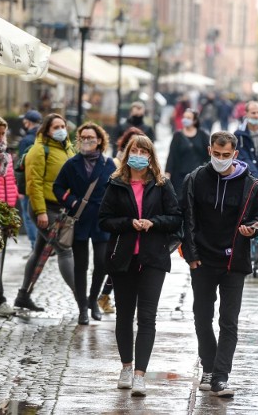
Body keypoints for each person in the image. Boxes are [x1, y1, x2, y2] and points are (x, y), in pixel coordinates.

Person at [180, 131, 258, 398]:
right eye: (216, 154)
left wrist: (253, 228)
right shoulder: (194, 180)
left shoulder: (250, 184)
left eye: (226, 155)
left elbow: (257, 217)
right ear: (209, 151)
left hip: (233, 261)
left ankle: (220, 376)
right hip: (202, 260)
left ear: (235, 155)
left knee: (229, 321)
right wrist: (191, 255)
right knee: (202, 318)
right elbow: (187, 220)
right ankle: (208, 364)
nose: (221, 159)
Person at [98, 135, 182, 396]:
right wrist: (128, 222)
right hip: (123, 258)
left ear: (150, 156)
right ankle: (126, 366)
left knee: (147, 317)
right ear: (128, 154)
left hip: (153, 258)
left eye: (144, 151)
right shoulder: (116, 183)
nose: (139, 154)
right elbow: (104, 220)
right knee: (124, 315)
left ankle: (140, 375)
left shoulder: (161, 184)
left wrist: (152, 222)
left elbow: (176, 217)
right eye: (134, 150)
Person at [53, 123, 116, 325]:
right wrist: (71, 201)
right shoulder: (72, 164)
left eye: (91, 137)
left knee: (102, 262)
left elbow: (117, 190)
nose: (87, 140)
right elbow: (58, 186)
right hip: (79, 219)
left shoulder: (108, 165)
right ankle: (82, 309)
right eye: (83, 137)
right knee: (81, 265)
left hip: (101, 220)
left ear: (99, 140)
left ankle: (92, 300)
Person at [15, 113, 76, 312]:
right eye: (55, 127)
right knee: (64, 250)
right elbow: (34, 184)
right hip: (44, 209)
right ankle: (82, 299)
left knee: (39, 250)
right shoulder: (39, 150)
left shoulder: (67, 148)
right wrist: (40, 212)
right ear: (46, 130)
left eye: (62, 126)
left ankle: (23, 295)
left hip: (60, 208)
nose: (60, 130)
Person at [0, 116, 19, 316]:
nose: (1, 138)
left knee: (0, 260)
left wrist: (10, 213)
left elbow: (10, 185)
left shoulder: (7, 157)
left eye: (3, 133)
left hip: (4, 215)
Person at [165, 109, 211, 198]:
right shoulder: (177, 135)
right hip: (179, 176)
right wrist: (168, 173)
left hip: (198, 175)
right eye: (184, 117)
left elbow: (209, 155)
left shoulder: (202, 135)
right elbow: (172, 155)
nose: (185, 119)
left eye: (189, 118)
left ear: (194, 120)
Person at [16, 110, 42, 253]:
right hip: (41, 183)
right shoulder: (44, 137)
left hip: (28, 184)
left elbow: (21, 166)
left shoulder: (26, 140)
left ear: (28, 122)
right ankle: (40, 247)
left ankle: (34, 248)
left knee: (29, 216)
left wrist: (19, 188)